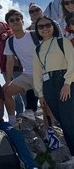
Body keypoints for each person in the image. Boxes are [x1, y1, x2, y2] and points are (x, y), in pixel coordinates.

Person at [33, 16, 74, 155]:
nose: (45, 28)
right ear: (37, 30)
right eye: (41, 26)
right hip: (48, 86)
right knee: (63, 122)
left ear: (53, 26)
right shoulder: (37, 49)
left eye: (47, 25)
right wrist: (40, 94)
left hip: (64, 81)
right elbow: (37, 73)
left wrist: (68, 83)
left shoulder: (63, 42)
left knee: (70, 119)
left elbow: (72, 62)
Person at [3, 9, 39, 124]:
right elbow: (9, 62)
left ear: (22, 21)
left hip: (42, 74)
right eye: (11, 20)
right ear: (8, 25)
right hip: (27, 74)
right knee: (6, 91)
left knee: (46, 102)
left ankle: (48, 128)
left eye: (17, 19)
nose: (15, 22)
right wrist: (8, 81)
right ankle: (13, 120)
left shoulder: (34, 35)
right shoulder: (10, 42)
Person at [0, 9, 26, 115]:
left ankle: (28, 109)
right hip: (4, 68)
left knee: (21, 89)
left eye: (1, 25)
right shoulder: (1, 37)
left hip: (15, 67)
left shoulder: (10, 33)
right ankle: (20, 112)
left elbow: (11, 32)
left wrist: (7, 32)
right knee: (12, 91)